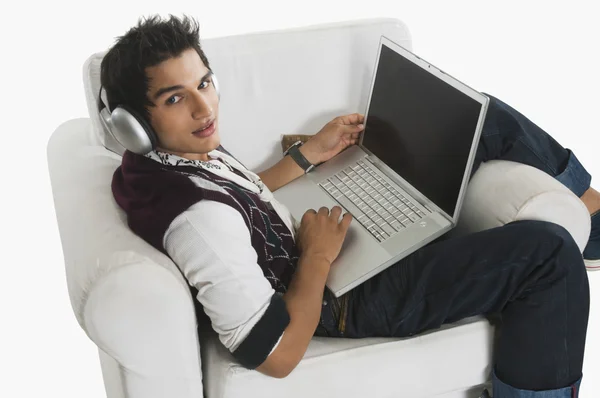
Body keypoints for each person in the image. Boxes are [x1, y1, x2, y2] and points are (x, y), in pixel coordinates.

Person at [104, 14, 595, 397]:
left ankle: (590, 211)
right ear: (132, 124)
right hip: (343, 299)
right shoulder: (196, 220)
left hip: (319, 251)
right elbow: (274, 354)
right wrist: (318, 255)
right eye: (174, 99)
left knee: (478, 117)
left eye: (204, 83)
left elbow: (244, 192)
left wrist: (307, 155)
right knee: (549, 256)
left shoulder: (170, 161)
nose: (204, 108)